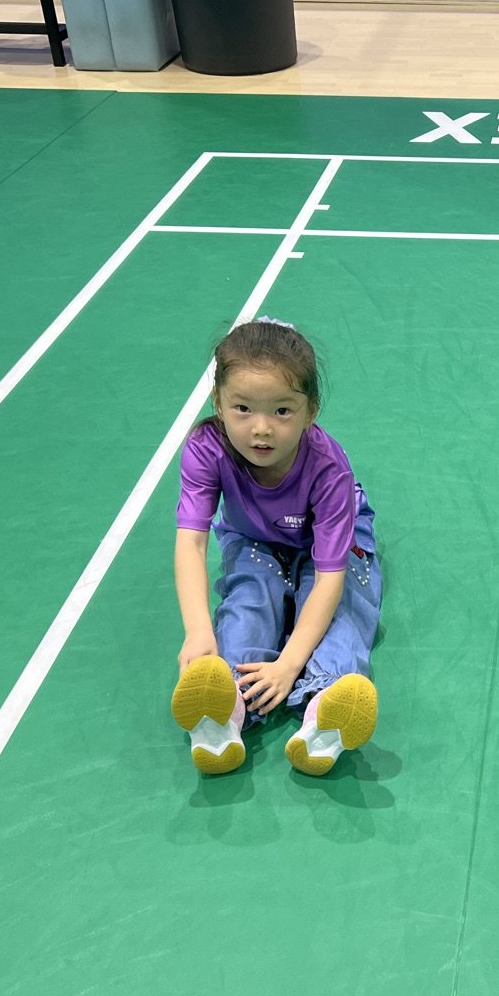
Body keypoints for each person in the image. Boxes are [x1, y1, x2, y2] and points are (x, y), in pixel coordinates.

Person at [171, 317, 381, 777]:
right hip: (254, 538)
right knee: (250, 596)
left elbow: (328, 578)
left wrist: (289, 664)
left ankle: (326, 712)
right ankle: (223, 709)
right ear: (218, 402)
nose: (261, 429)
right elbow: (191, 541)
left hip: (329, 547)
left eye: (282, 411)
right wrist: (197, 631)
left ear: (311, 411)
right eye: (243, 408)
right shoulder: (206, 448)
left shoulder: (329, 469)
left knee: (343, 606)